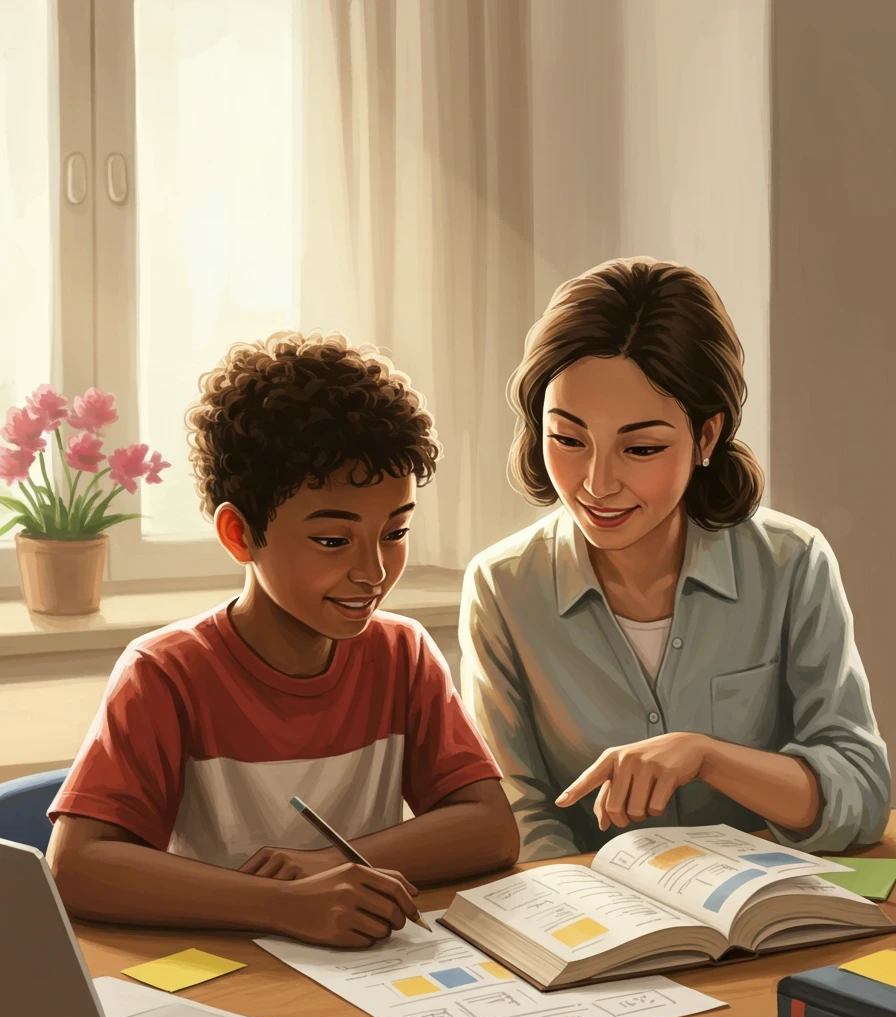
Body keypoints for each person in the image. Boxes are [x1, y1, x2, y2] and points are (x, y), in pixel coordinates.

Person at [47, 331, 519, 946]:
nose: (373, 572)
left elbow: (490, 828)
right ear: (240, 534)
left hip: (363, 971)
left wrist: (335, 865)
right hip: (225, 975)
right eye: (332, 540)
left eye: (395, 532)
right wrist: (281, 903)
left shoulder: (402, 656)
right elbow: (76, 867)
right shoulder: (165, 673)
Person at [460, 257, 889, 860]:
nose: (597, 483)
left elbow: (861, 793)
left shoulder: (792, 563)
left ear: (706, 438)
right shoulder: (502, 587)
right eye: (567, 439)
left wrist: (707, 757)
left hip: (766, 916)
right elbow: (518, 809)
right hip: (599, 926)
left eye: (640, 447)